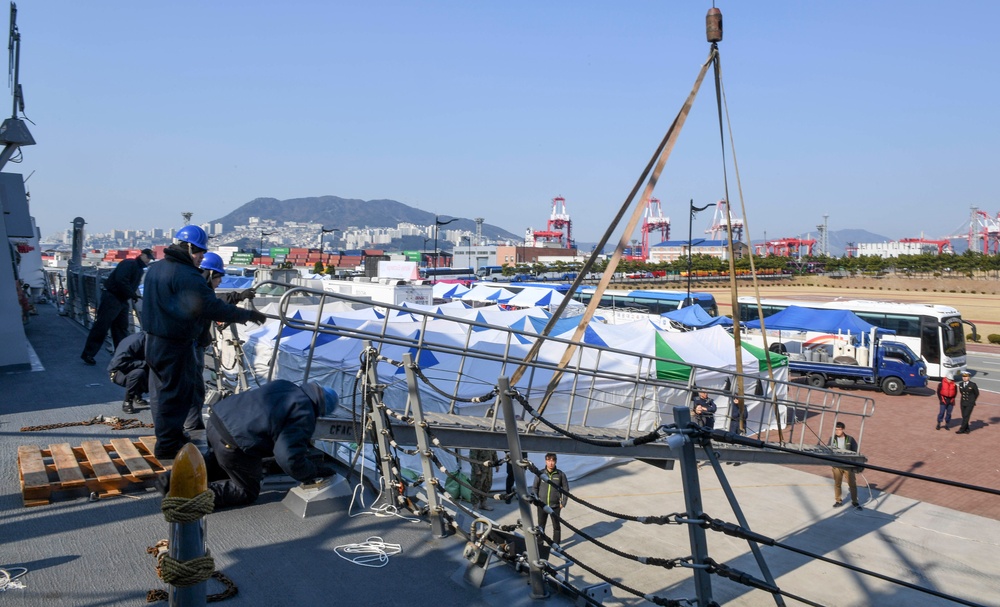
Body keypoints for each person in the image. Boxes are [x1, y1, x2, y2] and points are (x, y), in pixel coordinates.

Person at [141, 226, 266, 461]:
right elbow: (210, 306)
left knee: (161, 391)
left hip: (153, 339)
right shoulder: (185, 274)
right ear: (189, 248)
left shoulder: (156, 269)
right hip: (175, 343)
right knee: (177, 393)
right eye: (199, 252)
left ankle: (169, 437)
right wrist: (247, 315)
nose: (200, 257)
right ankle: (168, 445)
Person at [159, 380, 338, 509]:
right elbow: (288, 457)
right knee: (246, 490)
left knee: (217, 464)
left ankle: (170, 478)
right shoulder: (304, 413)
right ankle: (185, 495)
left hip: (217, 420)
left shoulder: (286, 385)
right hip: (234, 441)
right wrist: (311, 472)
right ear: (321, 410)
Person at [185, 252, 256, 433]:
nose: (220, 282)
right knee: (194, 386)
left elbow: (215, 300)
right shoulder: (198, 288)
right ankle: (192, 426)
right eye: (218, 277)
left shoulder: (194, 284)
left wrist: (238, 296)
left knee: (192, 386)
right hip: (191, 344)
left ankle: (191, 423)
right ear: (209, 274)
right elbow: (214, 303)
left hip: (193, 342)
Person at [80, 248, 155, 365]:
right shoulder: (131, 264)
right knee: (104, 327)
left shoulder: (134, 266)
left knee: (119, 328)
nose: (148, 261)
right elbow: (121, 280)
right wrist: (132, 294)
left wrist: (131, 294)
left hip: (119, 299)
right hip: (114, 298)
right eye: (148, 258)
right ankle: (91, 354)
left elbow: (122, 281)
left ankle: (121, 357)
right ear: (142, 255)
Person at [107, 331, 148, 414]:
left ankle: (138, 394)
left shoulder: (147, 339)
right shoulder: (134, 342)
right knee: (139, 373)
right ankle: (128, 401)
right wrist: (144, 363)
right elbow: (118, 363)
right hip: (117, 372)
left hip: (135, 366)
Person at [532, 452, 569, 545]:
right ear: (546, 461)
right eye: (549, 460)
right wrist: (536, 500)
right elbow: (534, 488)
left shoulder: (560, 474)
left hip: (555, 506)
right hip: (542, 505)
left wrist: (563, 503)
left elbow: (566, 489)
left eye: (553, 461)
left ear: (556, 462)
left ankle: (556, 545)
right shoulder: (540, 473)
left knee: (556, 527)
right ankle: (540, 545)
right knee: (541, 527)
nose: (551, 463)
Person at [829, 421, 861, 510]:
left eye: (839, 430)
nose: (837, 431)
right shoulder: (832, 439)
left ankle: (855, 501)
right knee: (837, 483)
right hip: (837, 465)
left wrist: (853, 463)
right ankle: (838, 501)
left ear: (843, 430)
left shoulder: (850, 439)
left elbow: (856, 451)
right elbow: (828, 450)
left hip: (848, 466)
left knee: (852, 484)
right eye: (836, 430)